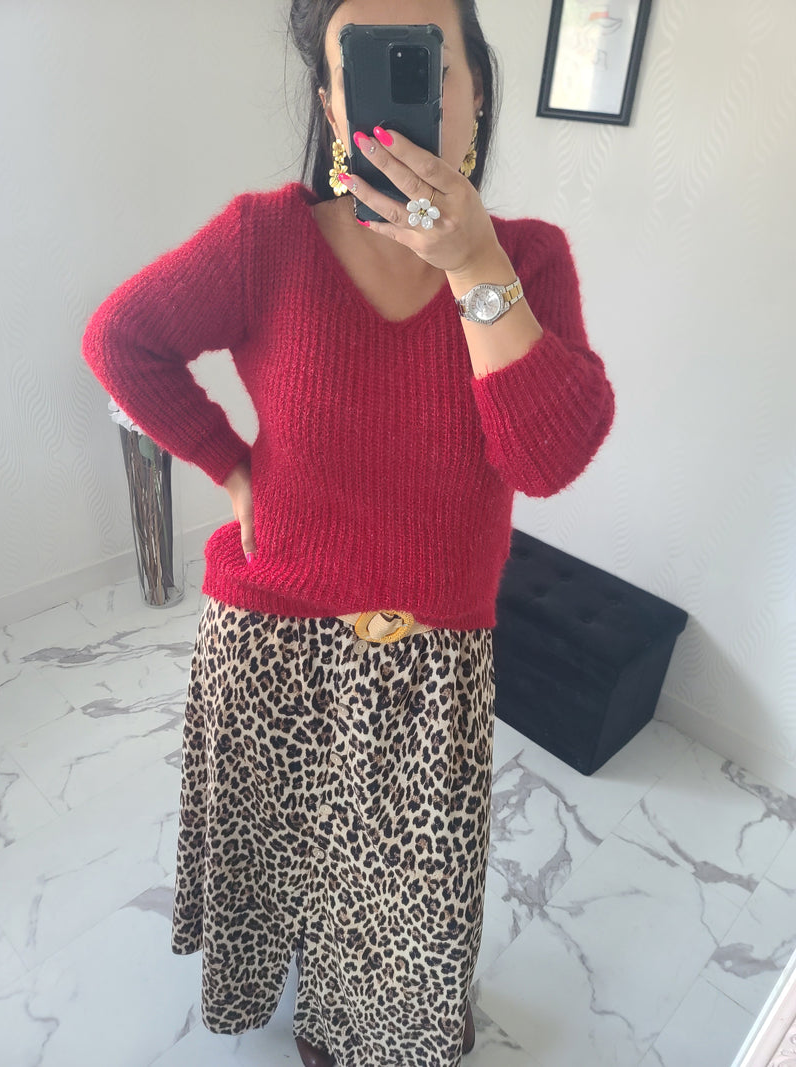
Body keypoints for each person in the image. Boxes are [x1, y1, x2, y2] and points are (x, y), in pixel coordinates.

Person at [82, 0, 614, 1063]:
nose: (405, 88)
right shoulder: (262, 240)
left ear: (473, 91)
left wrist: (472, 264)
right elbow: (122, 339)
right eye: (365, 66)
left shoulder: (529, 261)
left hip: (434, 663)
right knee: (281, 866)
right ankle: (288, 1001)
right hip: (269, 639)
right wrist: (231, 464)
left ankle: (372, 1027)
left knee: (412, 897)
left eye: (428, 62)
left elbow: (546, 459)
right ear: (332, 104)